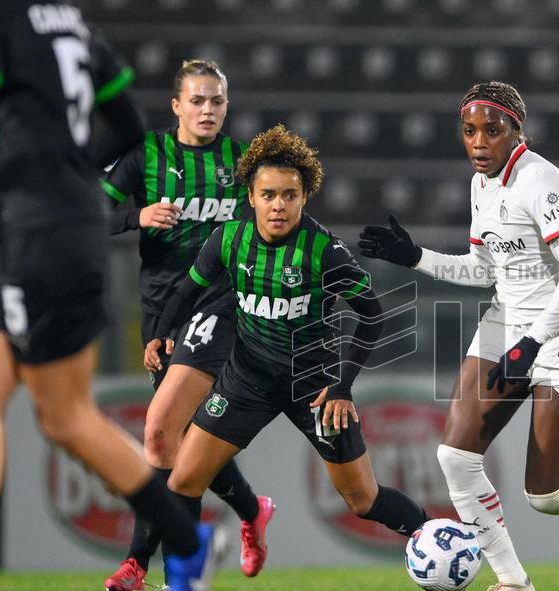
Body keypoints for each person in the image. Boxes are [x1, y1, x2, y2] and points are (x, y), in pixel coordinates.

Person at [359, 81, 559, 591]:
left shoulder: (541, 180)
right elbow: (483, 269)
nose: (479, 142)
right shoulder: (482, 184)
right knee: (454, 456)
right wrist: (415, 257)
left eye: (492, 130)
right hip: (506, 322)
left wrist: (533, 341)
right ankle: (515, 586)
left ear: (516, 130)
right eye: (470, 131)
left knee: (545, 494)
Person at [0, 0, 219, 591]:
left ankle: (190, 543)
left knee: (65, 419)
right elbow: (127, 126)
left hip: (42, 232)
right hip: (45, 226)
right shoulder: (73, 24)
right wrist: (68, 173)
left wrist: (43, 172)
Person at [144, 124, 429, 566]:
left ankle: (435, 540)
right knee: (182, 481)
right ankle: (177, 587)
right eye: (269, 194)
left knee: (362, 500)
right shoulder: (228, 238)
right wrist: (162, 332)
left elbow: (372, 315)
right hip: (247, 379)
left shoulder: (324, 251)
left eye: (290, 195)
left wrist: (341, 387)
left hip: (313, 387)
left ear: (304, 197)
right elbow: (186, 291)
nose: (279, 205)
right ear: (252, 197)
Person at [100, 59, 273, 591]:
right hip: (159, 313)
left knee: (162, 436)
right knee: (182, 440)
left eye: (217, 101)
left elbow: (273, 222)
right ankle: (250, 510)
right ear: (176, 106)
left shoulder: (241, 161)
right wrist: (136, 217)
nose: (207, 110)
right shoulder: (146, 156)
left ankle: (141, 562)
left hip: (219, 307)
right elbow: (85, 211)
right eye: (197, 100)